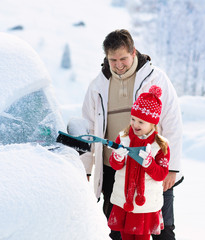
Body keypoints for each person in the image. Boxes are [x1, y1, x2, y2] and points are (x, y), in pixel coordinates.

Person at [80, 29, 183, 240]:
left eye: (123, 58)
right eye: (113, 60)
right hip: (114, 168)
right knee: (118, 231)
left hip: (153, 168)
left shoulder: (156, 79)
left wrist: (172, 167)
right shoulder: (97, 87)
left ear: (133, 52)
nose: (118, 64)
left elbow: (172, 124)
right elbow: (90, 128)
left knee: (163, 230)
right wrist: (86, 168)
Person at [108, 85, 169, 240]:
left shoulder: (160, 145)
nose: (135, 125)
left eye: (141, 122)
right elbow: (115, 165)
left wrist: (149, 163)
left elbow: (161, 174)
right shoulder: (123, 137)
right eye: (133, 119)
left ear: (152, 123)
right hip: (124, 202)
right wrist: (118, 157)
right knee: (125, 237)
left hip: (145, 206)